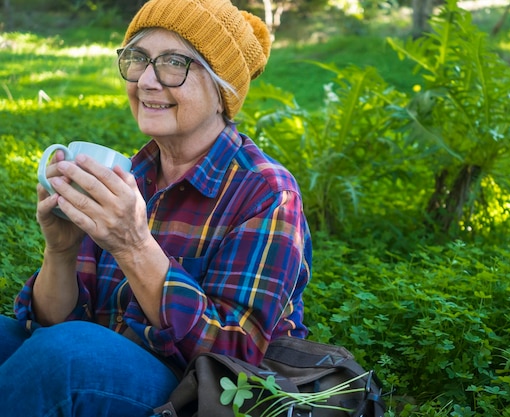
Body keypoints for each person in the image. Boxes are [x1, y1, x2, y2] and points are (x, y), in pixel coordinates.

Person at [0, 0, 312, 414]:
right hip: (100, 362)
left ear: (222, 92)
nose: (146, 80)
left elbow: (235, 356)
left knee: (69, 354)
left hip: (197, 394)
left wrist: (132, 246)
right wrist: (61, 250)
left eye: (172, 63)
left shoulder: (267, 193)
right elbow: (48, 324)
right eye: (138, 59)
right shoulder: (130, 175)